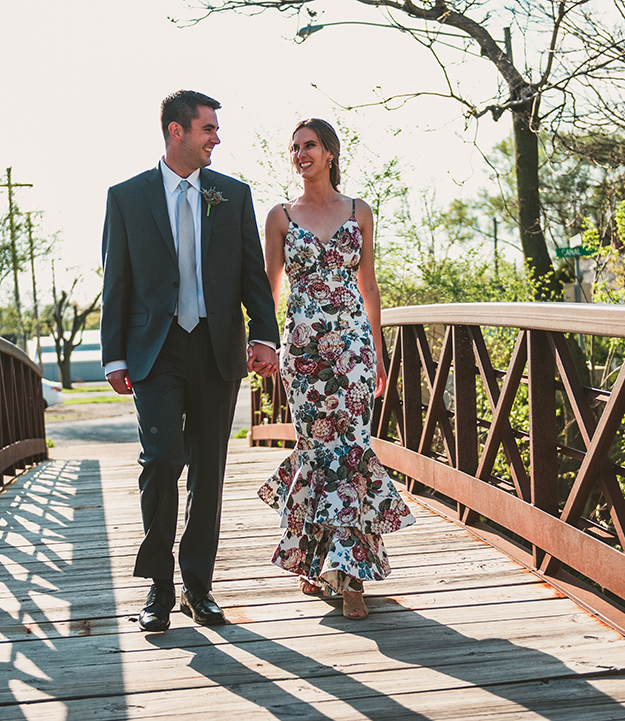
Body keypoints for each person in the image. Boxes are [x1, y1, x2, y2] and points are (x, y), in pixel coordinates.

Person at [100, 90, 281, 633]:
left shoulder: (232, 194)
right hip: (156, 349)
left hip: (216, 346)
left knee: (209, 467)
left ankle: (197, 586)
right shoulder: (127, 197)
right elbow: (117, 281)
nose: (216, 139)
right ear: (177, 131)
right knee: (160, 460)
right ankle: (158, 586)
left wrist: (266, 337)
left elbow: (253, 273)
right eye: (208, 129)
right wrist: (113, 355)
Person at [257, 118, 414, 620]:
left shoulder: (359, 211)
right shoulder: (279, 216)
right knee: (317, 450)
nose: (301, 154)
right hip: (303, 354)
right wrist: (262, 344)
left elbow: (368, 286)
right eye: (295, 148)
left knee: (350, 451)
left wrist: (380, 352)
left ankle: (350, 579)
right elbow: (269, 290)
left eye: (310, 146)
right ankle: (317, 561)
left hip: (352, 353)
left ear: (330, 153)